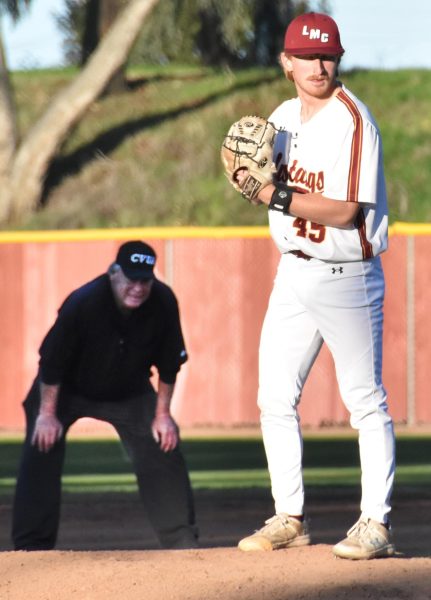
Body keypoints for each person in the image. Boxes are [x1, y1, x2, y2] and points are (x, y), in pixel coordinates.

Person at [236, 12, 396, 560]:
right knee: (274, 396)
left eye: (326, 55)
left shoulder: (353, 120)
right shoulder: (281, 118)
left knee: (364, 402)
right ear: (286, 63)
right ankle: (290, 515)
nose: (318, 65)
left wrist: (272, 196)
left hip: (347, 275)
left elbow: (348, 210)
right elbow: (258, 172)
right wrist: (246, 172)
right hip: (293, 271)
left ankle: (375, 522)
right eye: (306, 56)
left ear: (338, 59)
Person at [12, 240, 198, 551]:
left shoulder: (163, 302)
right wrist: (47, 414)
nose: (138, 287)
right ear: (114, 273)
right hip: (66, 388)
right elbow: (52, 362)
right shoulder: (83, 303)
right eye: (131, 278)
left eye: (145, 280)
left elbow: (169, 365)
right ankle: (31, 547)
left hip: (129, 390)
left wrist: (162, 415)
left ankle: (180, 540)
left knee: (161, 441)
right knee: (42, 444)